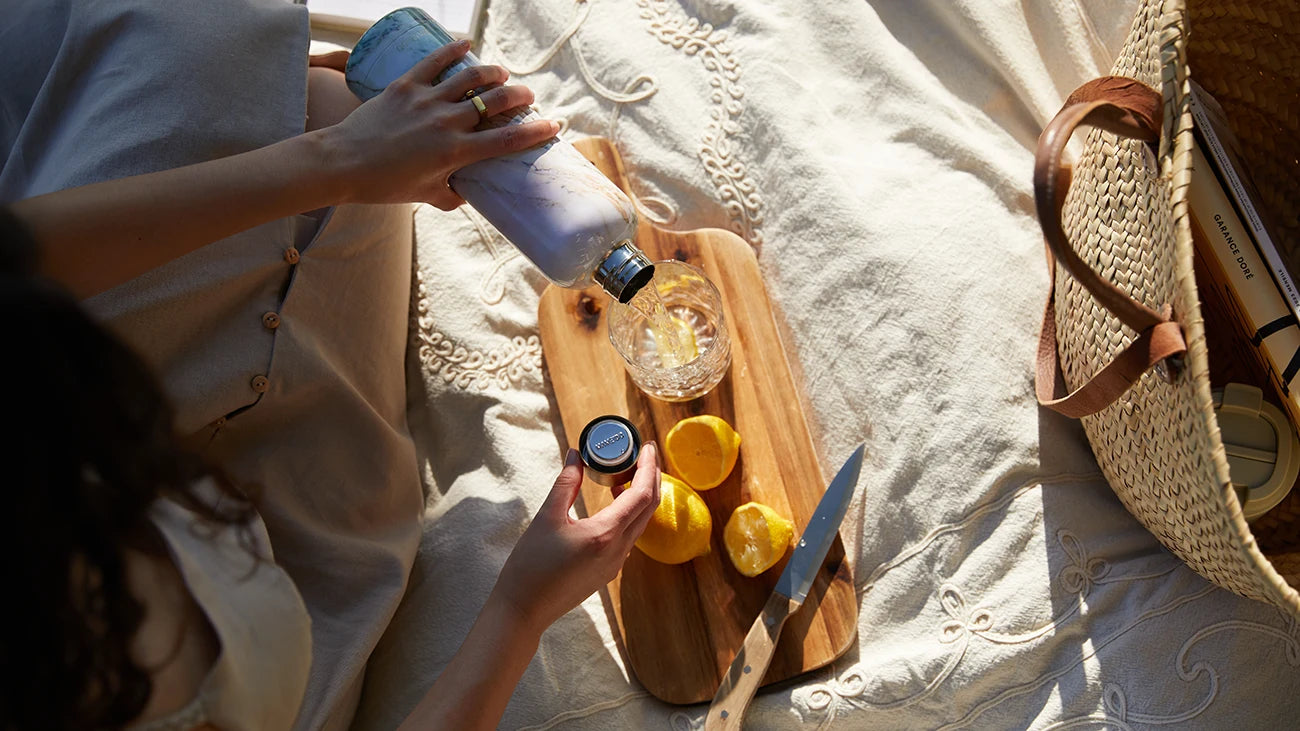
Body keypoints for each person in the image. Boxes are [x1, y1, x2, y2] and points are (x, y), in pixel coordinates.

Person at [0, 1, 661, 728]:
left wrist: (337, 160)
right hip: (305, 533)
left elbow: (16, 259)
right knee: (312, 98)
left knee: (281, 76)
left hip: (103, 391)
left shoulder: (65, 420)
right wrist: (517, 607)